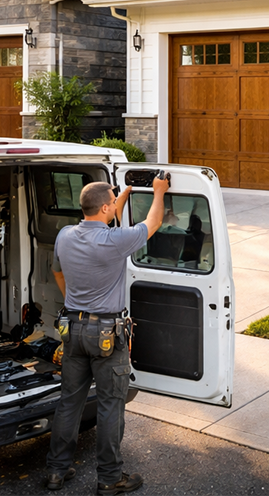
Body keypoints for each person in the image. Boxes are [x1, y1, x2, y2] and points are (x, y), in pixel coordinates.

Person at [43, 175, 170, 493]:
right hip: (106, 335)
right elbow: (152, 223)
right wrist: (158, 192)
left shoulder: (65, 236)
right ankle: (110, 478)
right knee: (110, 406)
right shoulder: (115, 243)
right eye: (112, 203)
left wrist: (121, 196)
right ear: (103, 207)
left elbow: (58, 270)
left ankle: (57, 471)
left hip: (72, 328)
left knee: (69, 402)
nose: (115, 205)